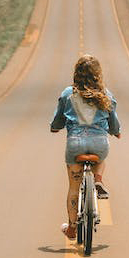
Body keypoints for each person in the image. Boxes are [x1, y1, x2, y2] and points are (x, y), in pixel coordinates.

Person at [50, 54, 121, 240]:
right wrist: (116, 131)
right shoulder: (105, 94)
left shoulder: (68, 94)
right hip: (99, 144)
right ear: (98, 74)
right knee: (101, 158)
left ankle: (72, 228)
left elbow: (58, 120)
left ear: (76, 73)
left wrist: (55, 128)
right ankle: (98, 179)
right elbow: (113, 122)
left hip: (75, 145)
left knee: (74, 187)